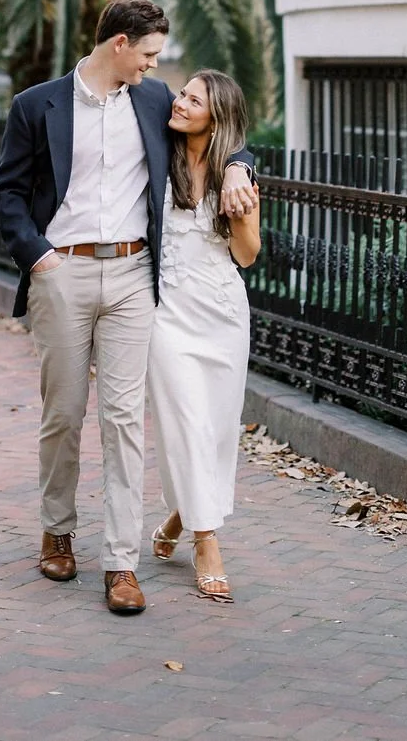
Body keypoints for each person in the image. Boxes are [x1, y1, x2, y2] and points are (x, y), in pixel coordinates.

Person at [0, 0, 256, 615]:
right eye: (149, 53)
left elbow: (219, 126)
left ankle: (121, 562)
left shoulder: (155, 99)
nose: (154, 66)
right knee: (64, 412)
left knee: (123, 419)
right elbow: (6, 192)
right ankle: (57, 531)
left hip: (136, 274)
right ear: (119, 45)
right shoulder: (37, 106)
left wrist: (241, 166)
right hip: (63, 272)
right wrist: (38, 258)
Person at [146, 69, 261, 603]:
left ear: (217, 117)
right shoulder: (157, 149)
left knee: (214, 431)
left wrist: (242, 204)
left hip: (222, 314)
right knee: (187, 423)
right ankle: (207, 541)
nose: (181, 102)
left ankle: (180, 513)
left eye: (195, 100)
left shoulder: (233, 175)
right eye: (183, 93)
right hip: (167, 313)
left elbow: (247, 256)